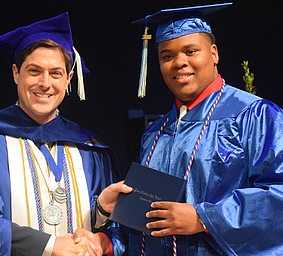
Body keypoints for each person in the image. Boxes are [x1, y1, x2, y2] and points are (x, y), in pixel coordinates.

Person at [90, 2, 283, 255]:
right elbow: (143, 221)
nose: (179, 62)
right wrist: (106, 241)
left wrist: (203, 218)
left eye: (191, 51)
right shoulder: (155, 134)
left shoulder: (254, 116)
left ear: (213, 53)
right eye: (167, 56)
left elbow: (278, 194)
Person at [0, 12, 126, 256]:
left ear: (69, 78)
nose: (45, 83)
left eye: (56, 73)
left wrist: (101, 216)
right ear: (16, 73)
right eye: (34, 71)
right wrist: (51, 246)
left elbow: (117, 235)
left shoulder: (90, 149)